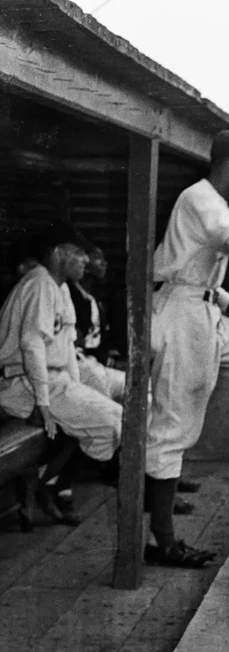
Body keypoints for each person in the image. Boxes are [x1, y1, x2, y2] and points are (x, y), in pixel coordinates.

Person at [144, 128, 229, 568]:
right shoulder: (199, 198)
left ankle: (164, 487)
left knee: (191, 411)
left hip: (200, 308)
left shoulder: (212, 202)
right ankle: (162, 541)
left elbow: (207, 273)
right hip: (179, 314)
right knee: (171, 421)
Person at [0, 221, 123, 521]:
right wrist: (42, 403)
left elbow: (67, 347)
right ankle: (50, 484)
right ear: (58, 253)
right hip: (21, 382)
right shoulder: (39, 284)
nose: (85, 260)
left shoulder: (60, 287)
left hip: (50, 379)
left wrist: (78, 388)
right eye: (78, 253)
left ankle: (50, 482)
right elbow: (31, 346)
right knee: (113, 423)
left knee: (112, 420)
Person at [68, 244, 126, 403]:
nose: (105, 264)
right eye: (99, 259)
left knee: (143, 389)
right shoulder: (70, 296)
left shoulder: (94, 297)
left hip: (95, 364)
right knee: (109, 405)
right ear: (85, 264)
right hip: (79, 366)